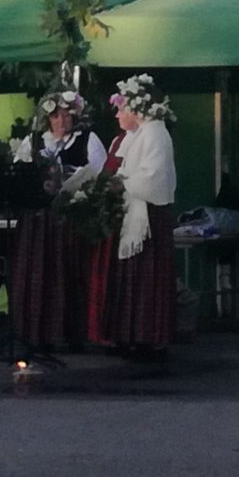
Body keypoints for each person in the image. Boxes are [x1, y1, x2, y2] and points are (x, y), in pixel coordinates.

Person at [9, 89, 107, 350]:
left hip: (70, 218)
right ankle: (37, 332)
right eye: (56, 116)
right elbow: (19, 172)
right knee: (39, 273)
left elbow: (101, 173)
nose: (62, 121)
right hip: (39, 219)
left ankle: (71, 333)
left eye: (66, 116)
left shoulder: (87, 139)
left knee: (68, 273)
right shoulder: (34, 141)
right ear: (48, 119)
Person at [89, 74, 177, 359]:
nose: (117, 115)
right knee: (129, 278)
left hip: (147, 217)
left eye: (121, 108)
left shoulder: (155, 133)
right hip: (130, 214)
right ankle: (127, 335)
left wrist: (121, 183)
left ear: (137, 108)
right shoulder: (133, 136)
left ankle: (148, 338)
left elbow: (153, 176)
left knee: (146, 279)